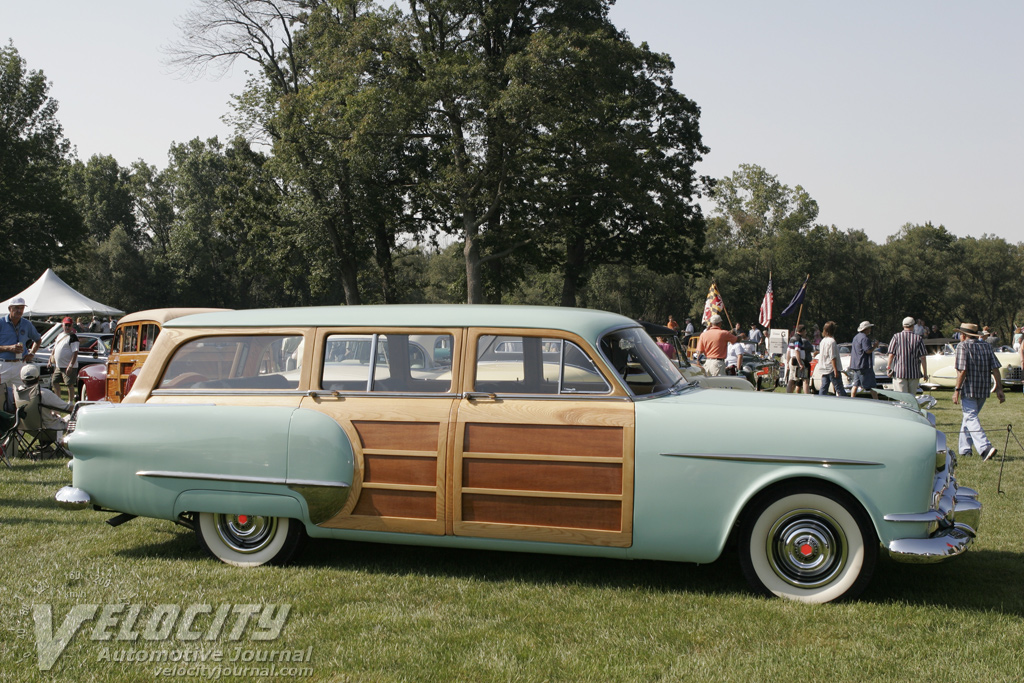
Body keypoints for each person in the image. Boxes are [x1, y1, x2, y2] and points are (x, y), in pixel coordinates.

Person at [953, 323, 1004, 460]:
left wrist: (957, 390)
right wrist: (999, 388)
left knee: (970, 417)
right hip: (983, 388)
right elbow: (995, 369)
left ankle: (984, 447)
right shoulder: (986, 345)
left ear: (963, 335)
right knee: (969, 418)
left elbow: (962, 370)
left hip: (969, 388)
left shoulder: (962, 346)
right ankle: (965, 449)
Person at [14, 364, 71, 443]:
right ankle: (70, 449)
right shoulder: (44, 393)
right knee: (76, 417)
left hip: (28, 428)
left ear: (22, 379)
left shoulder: (18, 392)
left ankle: (45, 448)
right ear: (38, 378)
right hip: (49, 429)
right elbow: (68, 408)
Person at [0, 296, 41, 389]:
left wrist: (32, 353)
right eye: (16, 308)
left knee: (23, 393)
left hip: (20, 364)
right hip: (3, 364)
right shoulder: (1, 323)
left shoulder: (27, 324)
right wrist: (9, 348)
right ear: (10, 309)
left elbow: (38, 339)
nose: (19, 311)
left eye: (22, 308)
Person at [887, 316, 928, 395]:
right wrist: (925, 373)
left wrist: (888, 368)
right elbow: (923, 357)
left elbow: (891, 354)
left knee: (902, 398)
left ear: (903, 326)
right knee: (911, 398)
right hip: (914, 373)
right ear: (913, 326)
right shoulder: (918, 338)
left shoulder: (896, 337)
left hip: (899, 372)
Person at [49, 317, 79, 403]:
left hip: (68, 366)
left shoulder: (73, 337)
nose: (67, 327)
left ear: (72, 326)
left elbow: (75, 352)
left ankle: (70, 402)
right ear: (62, 325)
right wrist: (50, 360)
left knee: (69, 384)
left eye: (69, 325)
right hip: (59, 366)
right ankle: (58, 400)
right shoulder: (60, 335)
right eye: (66, 325)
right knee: (54, 382)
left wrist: (70, 365)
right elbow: (55, 348)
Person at [817, 321, 848, 397]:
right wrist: (835, 370)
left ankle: (820, 400)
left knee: (824, 387)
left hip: (824, 367)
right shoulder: (832, 341)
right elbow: (832, 356)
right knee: (839, 387)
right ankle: (845, 401)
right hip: (831, 368)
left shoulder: (822, 341)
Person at [849, 321, 878, 399]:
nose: (870, 330)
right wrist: (875, 346)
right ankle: (877, 401)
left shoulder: (856, 337)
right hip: (864, 365)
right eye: (869, 328)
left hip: (855, 365)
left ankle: (852, 399)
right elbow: (868, 350)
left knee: (855, 384)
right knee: (872, 385)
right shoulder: (865, 338)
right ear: (866, 329)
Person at [786, 323, 809, 393]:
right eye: (805, 331)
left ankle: (788, 394)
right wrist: (800, 363)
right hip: (797, 361)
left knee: (791, 379)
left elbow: (788, 351)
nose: (806, 333)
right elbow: (797, 350)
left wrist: (787, 362)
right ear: (803, 330)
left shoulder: (792, 338)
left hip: (791, 360)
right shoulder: (798, 339)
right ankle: (807, 395)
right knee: (805, 379)